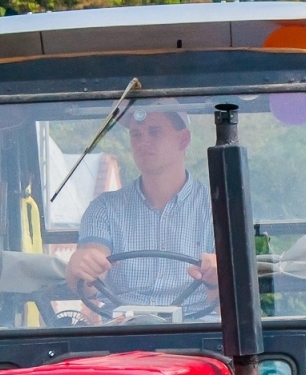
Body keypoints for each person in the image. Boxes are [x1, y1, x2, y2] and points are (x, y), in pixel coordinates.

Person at [63, 109, 218, 317]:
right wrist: (81, 266)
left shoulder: (219, 208)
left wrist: (220, 278)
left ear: (183, 140)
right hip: (122, 334)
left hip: (196, 334)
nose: (142, 141)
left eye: (154, 132)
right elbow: (87, 278)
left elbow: (227, 305)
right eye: (136, 135)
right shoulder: (104, 208)